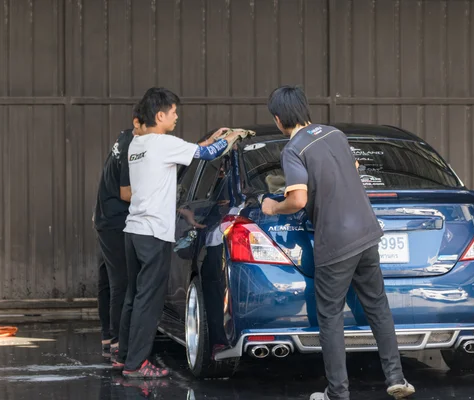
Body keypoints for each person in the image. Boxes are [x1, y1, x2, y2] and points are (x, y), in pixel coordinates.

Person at [261, 85, 415, 400]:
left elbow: (299, 199)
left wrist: (272, 205)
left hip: (336, 241)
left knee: (330, 315)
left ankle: (338, 393)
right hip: (367, 233)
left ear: (278, 119)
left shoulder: (294, 150)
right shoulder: (334, 134)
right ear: (304, 108)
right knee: (377, 306)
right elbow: (352, 168)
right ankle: (397, 378)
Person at [113, 87, 245, 379]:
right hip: (154, 235)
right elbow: (210, 154)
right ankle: (137, 365)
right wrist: (232, 136)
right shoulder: (163, 144)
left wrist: (208, 140)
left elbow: (190, 150)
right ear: (160, 115)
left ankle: (123, 358)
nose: (176, 116)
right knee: (150, 301)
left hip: (133, 232)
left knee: (133, 297)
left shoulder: (137, 145)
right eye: (173, 112)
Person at [93, 112, 144, 357]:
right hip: (115, 221)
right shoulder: (131, 147)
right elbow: (126, 193)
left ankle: (106, 336)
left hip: (104, 216)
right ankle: (116, 341)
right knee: (121, 282)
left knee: (107, 279)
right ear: (138, 122)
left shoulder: (124, 136)